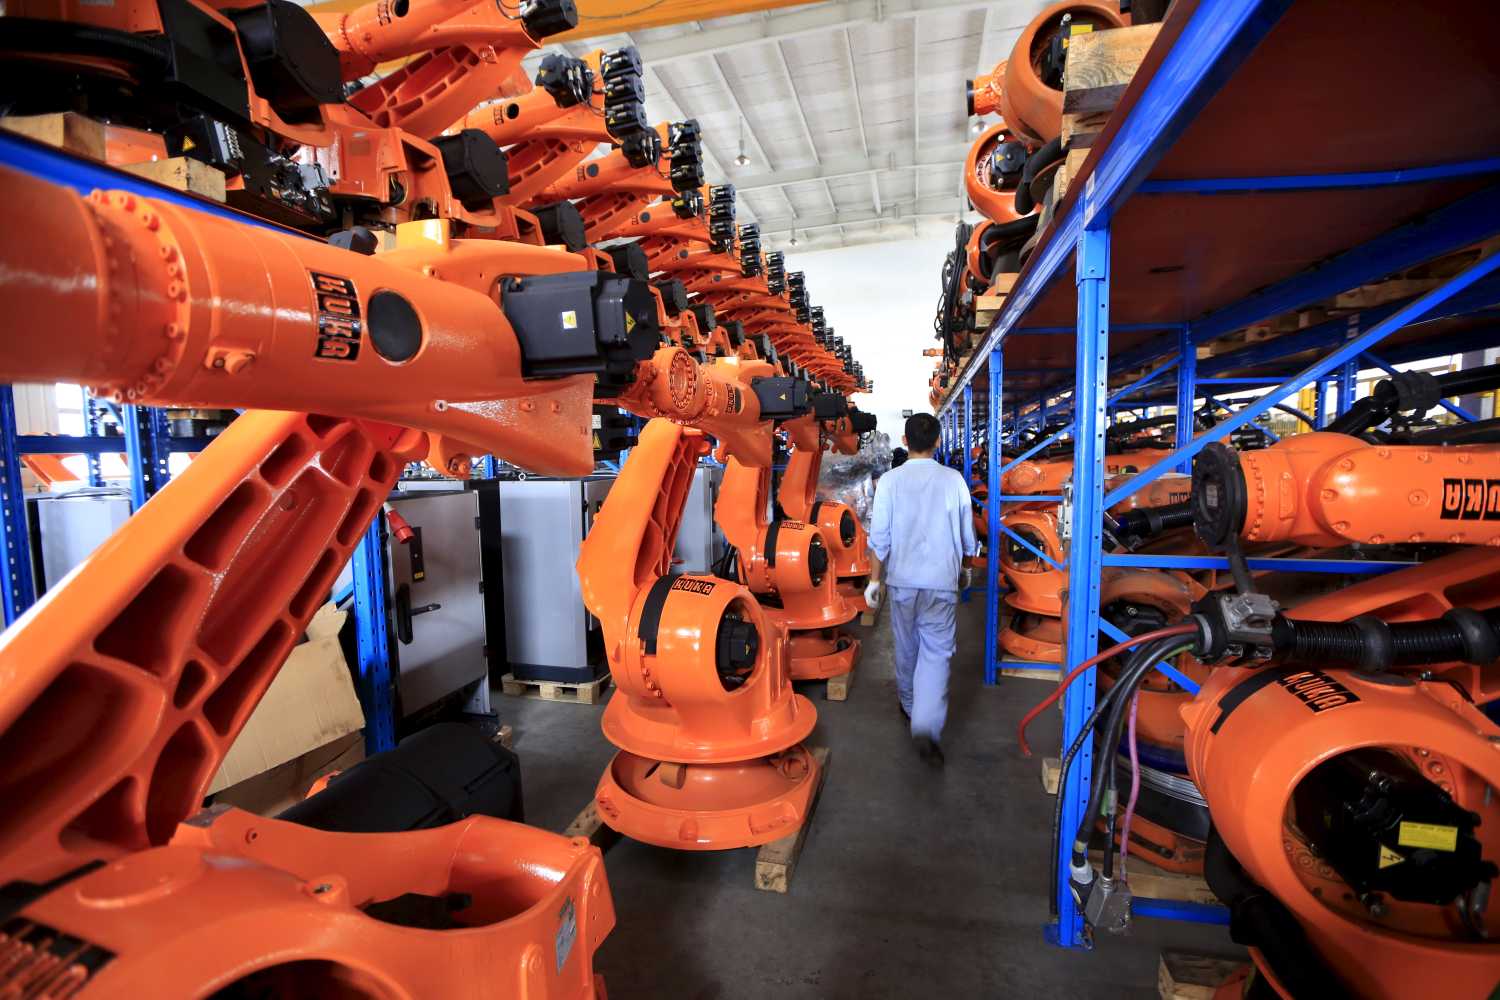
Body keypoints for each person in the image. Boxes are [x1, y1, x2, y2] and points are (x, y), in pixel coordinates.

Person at [864, 413, 977, 767]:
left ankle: (910, 704)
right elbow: (966, 531)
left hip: (902, 580)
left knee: (907, 644)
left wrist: (873, 580)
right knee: (937, 652)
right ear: (938, 442)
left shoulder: (890, 483)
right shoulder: (954, 480)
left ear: (904, 439)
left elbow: (879, 536)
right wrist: (967, 568)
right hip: (941, 580)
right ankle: (925, 724)